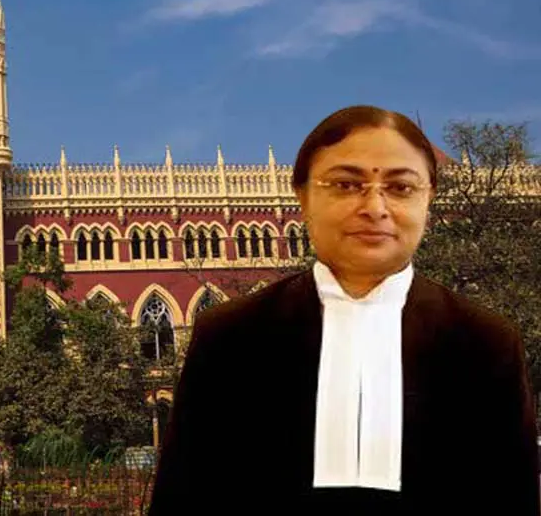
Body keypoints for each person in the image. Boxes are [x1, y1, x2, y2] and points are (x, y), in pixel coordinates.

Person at [149, 106, 539, 515]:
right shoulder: (231, 335)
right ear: (302, 196)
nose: (374, 207)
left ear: (430, 201)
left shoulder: (485, 341)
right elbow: (184, 495)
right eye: (346, 184)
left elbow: (512, 498)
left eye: (401, 188)